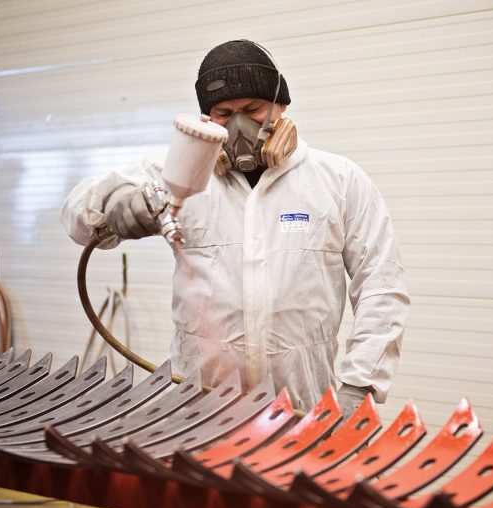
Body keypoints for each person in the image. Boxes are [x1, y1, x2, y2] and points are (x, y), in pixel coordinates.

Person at [60, 40, 410, 416]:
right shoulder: (181, 175)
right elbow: (77, 214)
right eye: (224, 112)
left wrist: (361, 384)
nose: (240, 125)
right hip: (197, 406)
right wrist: (115, 205)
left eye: (253, 109)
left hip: (303, 406)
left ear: (281, 105)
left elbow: (381, 284)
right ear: (207, 119)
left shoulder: (338, 181)